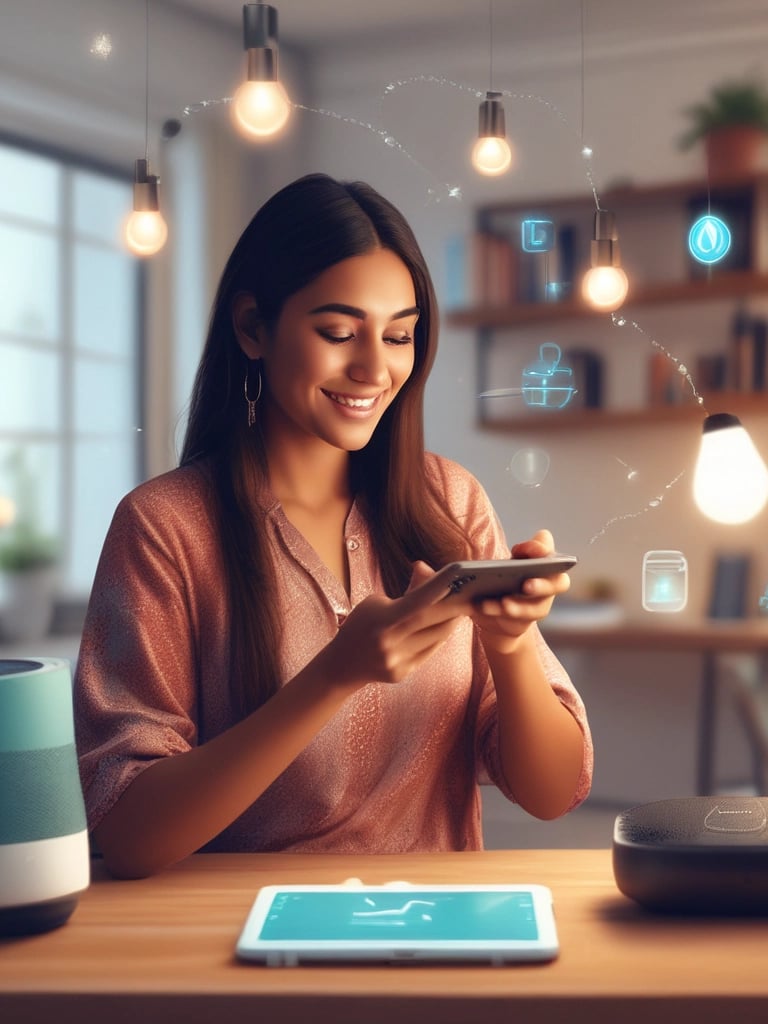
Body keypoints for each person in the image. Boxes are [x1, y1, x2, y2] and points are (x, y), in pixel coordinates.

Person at [74, 173, 593, 878]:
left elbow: (554, 793)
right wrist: (333, 677)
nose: (374, 368)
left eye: (400, 334)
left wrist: (508, 645)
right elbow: (127, 831)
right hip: (236, 938)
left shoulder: (451, 503)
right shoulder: (164, 528)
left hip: (432, 926)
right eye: (339, 332)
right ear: (253, 327)